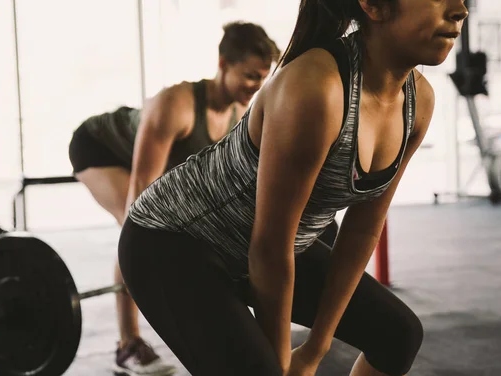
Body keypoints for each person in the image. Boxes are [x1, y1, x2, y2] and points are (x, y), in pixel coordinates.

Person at [119, 0, 468, 375]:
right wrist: (280, 361)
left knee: (397, 334)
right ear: (374, 6)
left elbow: (363, 227)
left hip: (275, 248)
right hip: (174, 242)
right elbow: (270, 246)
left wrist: (316, 348)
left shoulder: (418, 101)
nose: (460, 9)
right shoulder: (316, 86)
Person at [68, 21, 280, 376]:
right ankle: (128, 345)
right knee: (131, 225)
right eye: (249, 76)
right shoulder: (176, 105)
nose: (255, 86)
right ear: (223, 63)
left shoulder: (238, 115)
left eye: (262, 78)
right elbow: (141, 204)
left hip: (140, 154)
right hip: (99, 149)